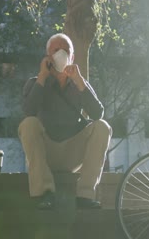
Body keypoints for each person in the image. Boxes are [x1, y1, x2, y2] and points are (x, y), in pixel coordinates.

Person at [18, 33, 112, 210]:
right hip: (47, 153)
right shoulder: (35, 83)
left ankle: (85, 195)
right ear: (48, 57)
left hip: (72, 153)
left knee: (102, 127)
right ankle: (45, 193)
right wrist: (43, 76)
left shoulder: (80, 84)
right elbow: (28, 111)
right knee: (28, 124)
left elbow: (98, 113)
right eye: (56, 50)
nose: (61, 53)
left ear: (72, 56)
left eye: (66, 50)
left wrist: (79, 81)